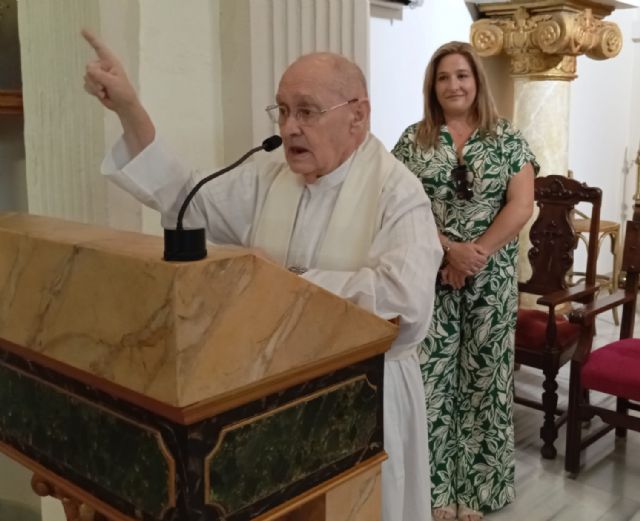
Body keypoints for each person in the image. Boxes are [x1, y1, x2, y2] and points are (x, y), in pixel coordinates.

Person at [82, 30, 443, 521]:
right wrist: (129, 108)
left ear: (358, 115)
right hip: (277, 393)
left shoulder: (398, 193)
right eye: (283, 110)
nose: (290, 127)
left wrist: (286, 280)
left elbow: (406, 305)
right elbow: (188, 200)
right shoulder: (269, 177)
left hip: (369, 398)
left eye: (307, 111)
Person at [392, 41, 538, 521]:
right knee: (430, 380)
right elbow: (398, 206)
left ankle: (476, 490)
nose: (453, 85)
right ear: (432, 88)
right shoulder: (413, 141)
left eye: (462, 76)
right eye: (443, 78)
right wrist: (447, 251)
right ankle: (432, 490)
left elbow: (520, 205)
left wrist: (473, 256)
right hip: (429, 273)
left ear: (477, 82)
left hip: (489, 280)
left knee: (485, 380)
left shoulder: (508, 139)